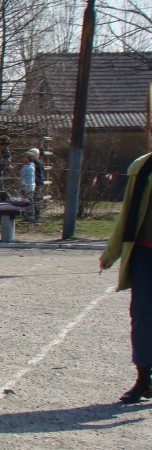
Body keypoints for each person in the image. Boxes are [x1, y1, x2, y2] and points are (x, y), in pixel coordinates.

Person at [100, 150, 152, 403]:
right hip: (145, 254)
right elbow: (127, 214)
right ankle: (143, 378)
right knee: (142, 317)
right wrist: (111, 253)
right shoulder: (143, 167)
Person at [27, 147, 45, 222]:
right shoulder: (34, 163)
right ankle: (32, 216)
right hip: (34, 183)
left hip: (36, 184)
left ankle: (35, 217)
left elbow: (39, 175)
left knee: (35, 200)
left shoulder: (36, 163)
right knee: (33, 199)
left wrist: (37, 182)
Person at [20, 150, 36, 222]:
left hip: (28, 187)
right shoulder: (25, 167)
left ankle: (30, 217)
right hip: (25, 186)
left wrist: (26, 187)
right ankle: (26, 215)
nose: (23, 159)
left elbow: (29, 179)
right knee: (25, 201)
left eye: (25, 157)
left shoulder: (29, 168)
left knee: (29, 201)